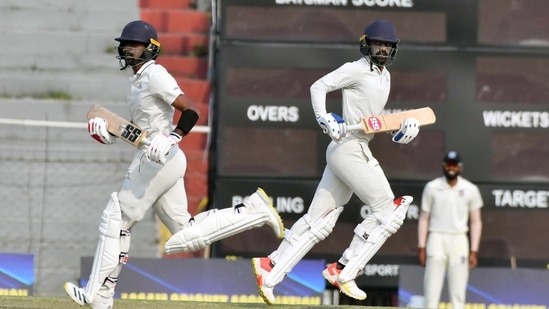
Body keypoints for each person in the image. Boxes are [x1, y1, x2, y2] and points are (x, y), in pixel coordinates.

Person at [64, 20, 284, 309]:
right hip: (155, 156)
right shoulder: (137, 80)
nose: (127, 48)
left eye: (134, 44)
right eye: (125, 44)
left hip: (159, 159)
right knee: (185, 233)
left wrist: (173, 136)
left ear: (150, 49)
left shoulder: (155, 74)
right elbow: (141, 132)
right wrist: (108, 135)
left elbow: (190, 110)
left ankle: (97, 294)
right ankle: (253, 211)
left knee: (116, 218)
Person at [251, 19, 420, 305]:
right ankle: (343, 269)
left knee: (320, 221)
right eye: (378, 44)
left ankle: (270, 268)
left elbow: (370, 121)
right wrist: (325, 118)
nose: (383, 50)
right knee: (390, 210)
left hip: (353, 145)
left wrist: (396, 129)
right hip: (348, 148)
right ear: (367, 44)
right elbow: (319, 87)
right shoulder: (355, 68)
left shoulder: (385, 76)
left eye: (388, 45)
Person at [417, 150, 483, 309]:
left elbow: (476, 222)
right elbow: (424, 218)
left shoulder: (470, 189)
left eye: (454, 165)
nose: (451, 168)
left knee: (458, 289)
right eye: (448, 165)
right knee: (431, 287)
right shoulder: (432, 187)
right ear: (443, 166)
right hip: (436, 237)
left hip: (459, 239)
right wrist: (422, 246)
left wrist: (474, 250)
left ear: (460, 168)